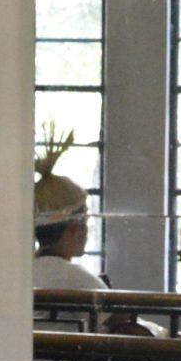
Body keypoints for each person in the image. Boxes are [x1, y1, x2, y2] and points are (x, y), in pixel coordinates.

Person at [32, 126, 106, 293]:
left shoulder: (19, 273)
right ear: (75, 229)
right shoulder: (81, 281)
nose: (86, 232)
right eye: (84, 220)